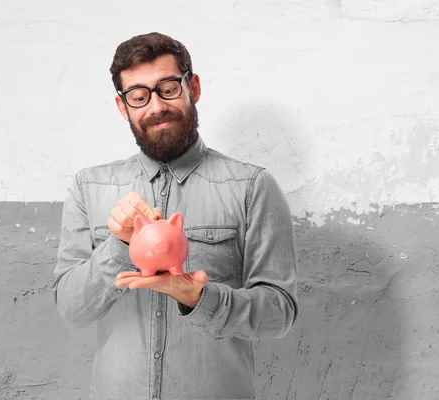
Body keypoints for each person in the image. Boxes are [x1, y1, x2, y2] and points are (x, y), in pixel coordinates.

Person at [53, 32, 299, 400]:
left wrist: (200, 299)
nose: (156, 107)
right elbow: (73, 310)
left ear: (192, 86)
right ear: (124, 108)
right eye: (138, 96)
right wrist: (119, 246)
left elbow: (279, 313)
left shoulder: (252, 186)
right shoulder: (89, 186)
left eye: (167, 88)